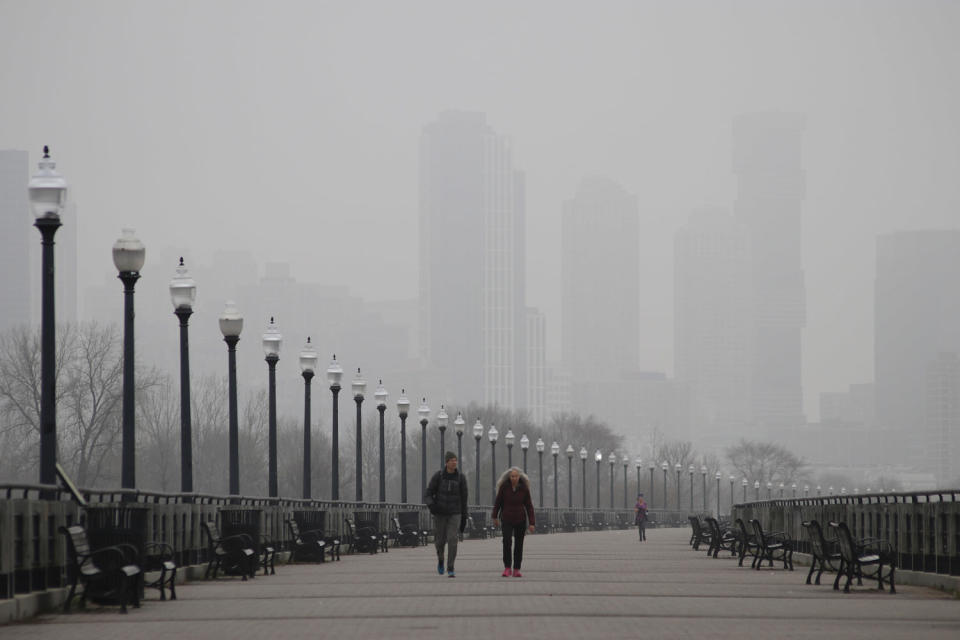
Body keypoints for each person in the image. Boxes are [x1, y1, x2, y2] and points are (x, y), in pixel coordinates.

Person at [425, 451, 468, 577]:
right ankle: (441, 559)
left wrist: (464, 516)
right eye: (452, 460)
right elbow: (428, 493)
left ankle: (450, 567)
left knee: (452, 539)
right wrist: (432, 505)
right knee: (440, 541)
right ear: (446, 462)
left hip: (455, 513)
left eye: (456, 460)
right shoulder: (438, 476)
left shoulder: (461, 478)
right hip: (440, 513)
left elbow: (464, 498)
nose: (454, 462)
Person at [491, 466, 535, 577]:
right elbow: (498, 503)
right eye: (512, 476)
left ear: (519, 477)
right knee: (507, 542)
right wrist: (494, 517)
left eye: (515, 476)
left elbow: (529, 506)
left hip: (520, 519)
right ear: (509, 477)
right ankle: (507, 568)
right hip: (506, 518)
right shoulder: (504, 488)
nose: (513, 478)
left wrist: (532, 523)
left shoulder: (524, 488)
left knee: (519, 545)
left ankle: (516, 568)